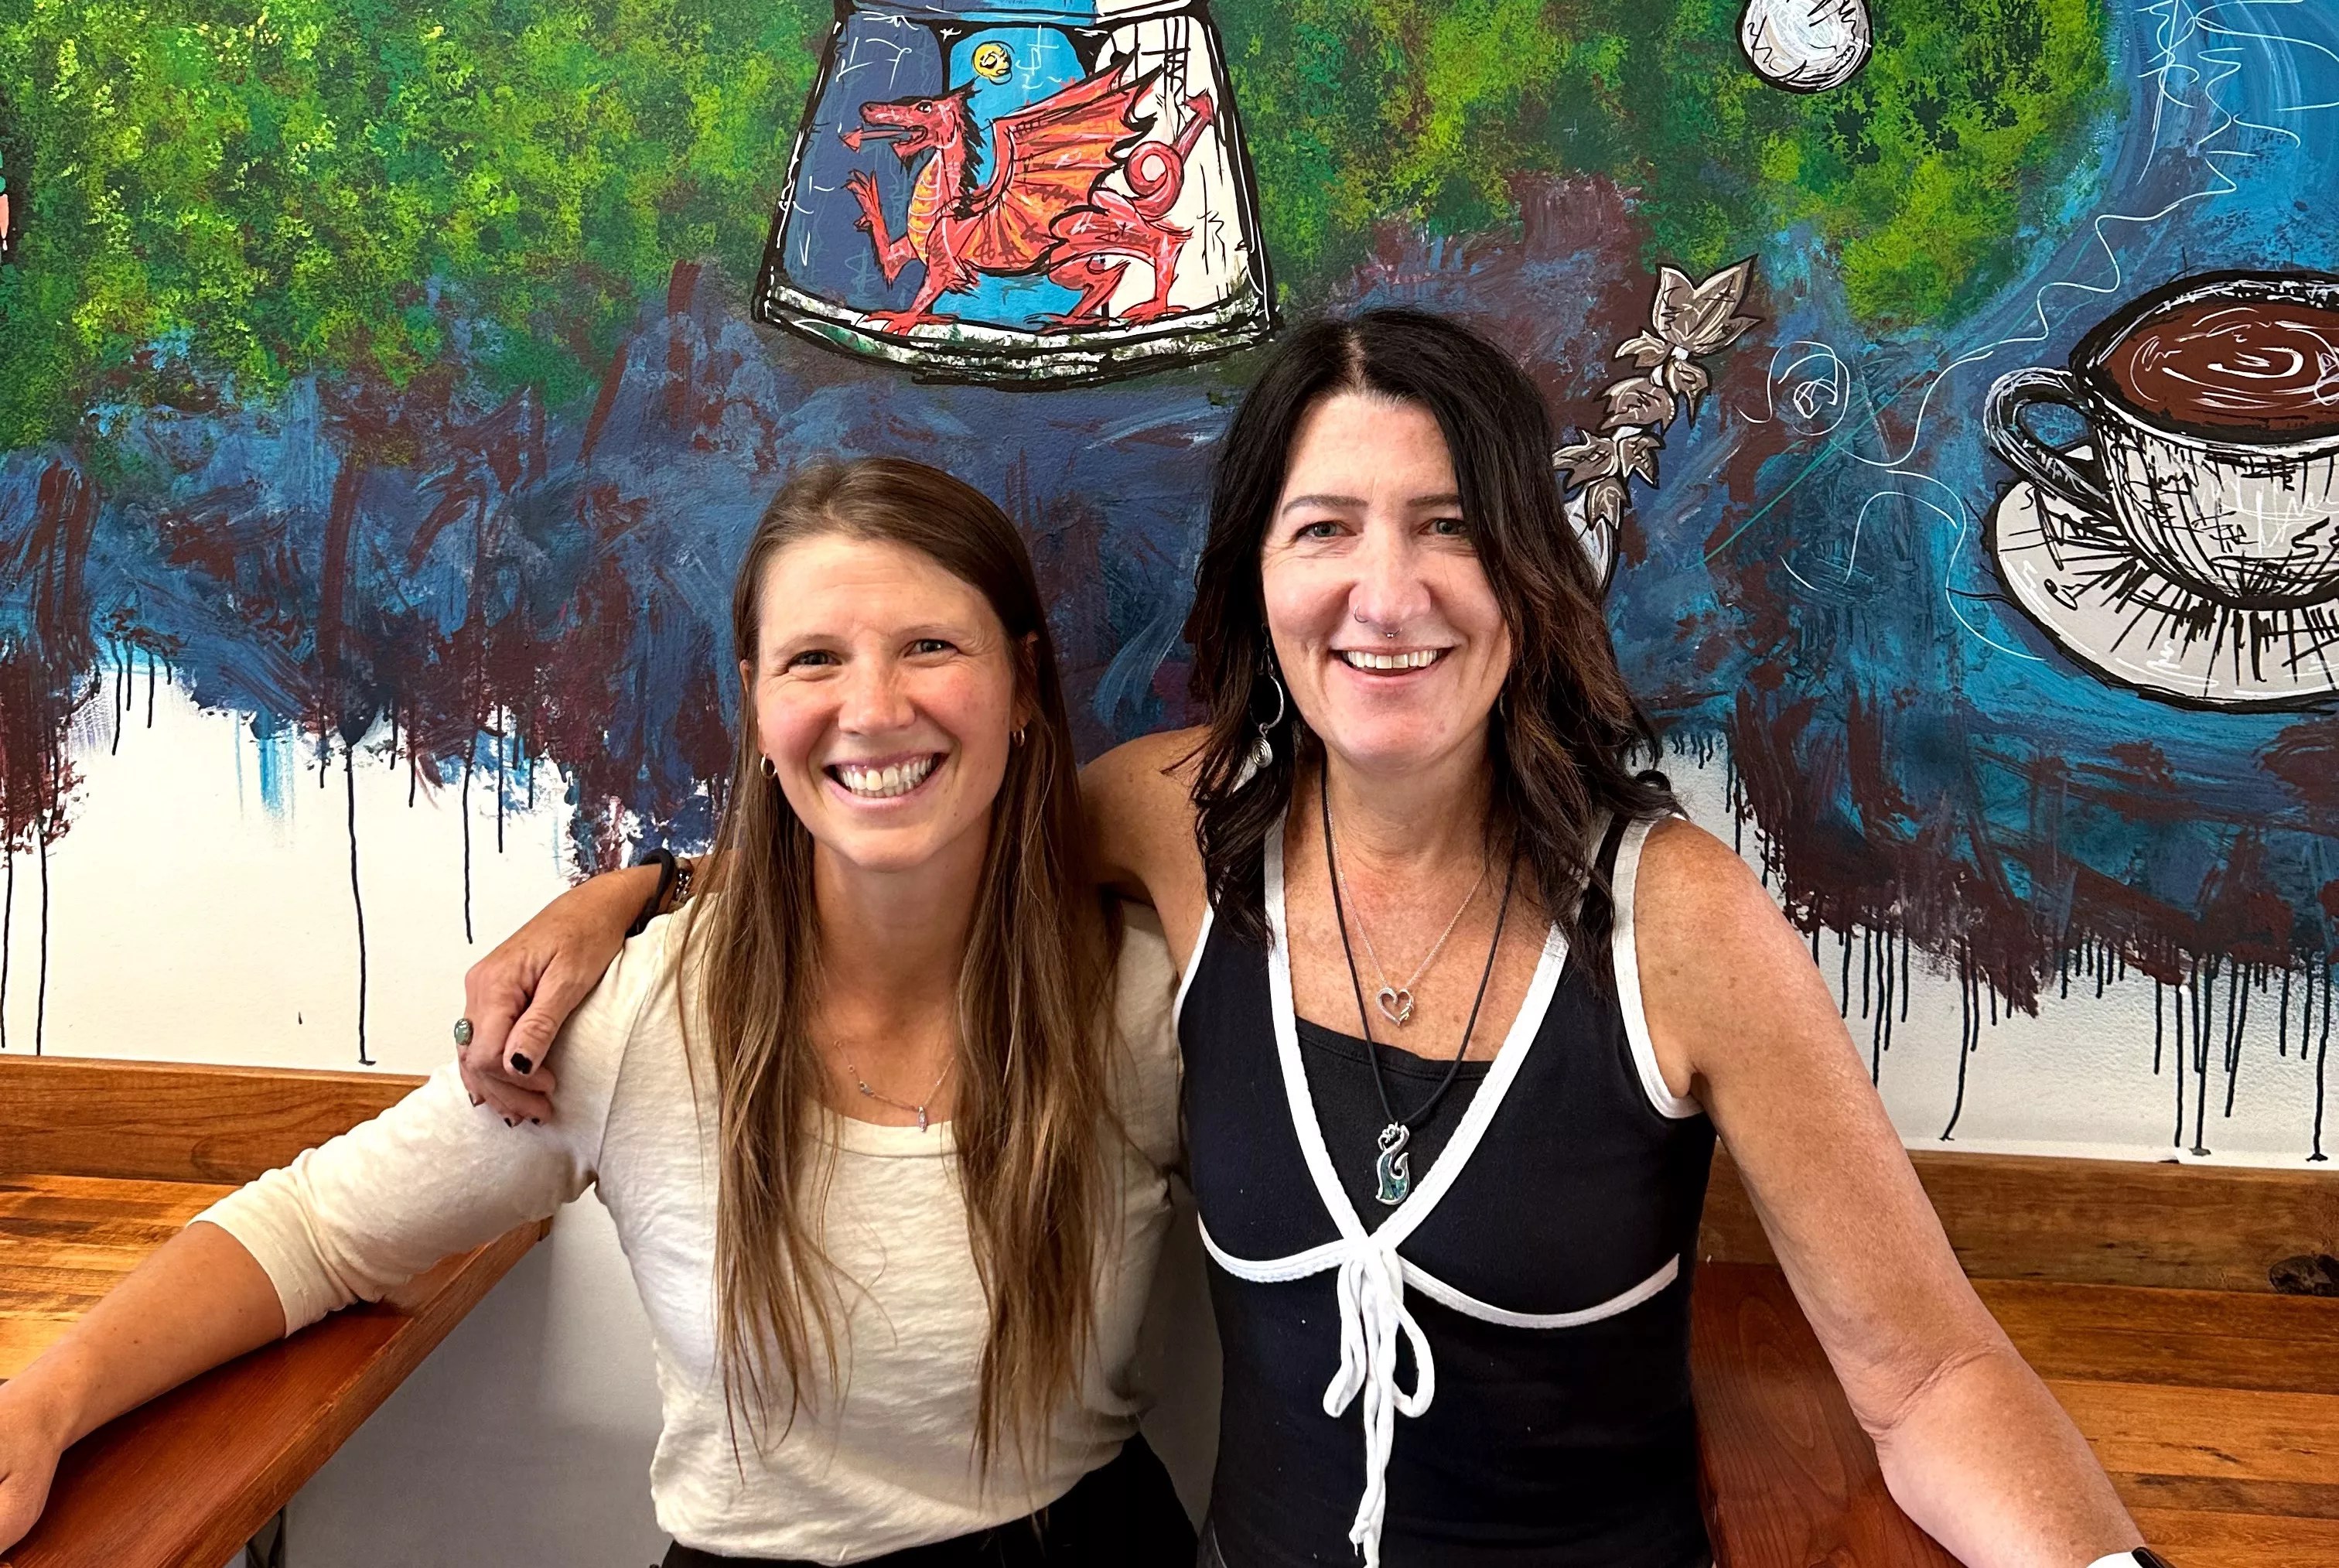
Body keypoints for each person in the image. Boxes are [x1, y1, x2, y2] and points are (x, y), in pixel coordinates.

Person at [456, 311, 2158, 1568]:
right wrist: (635, 892)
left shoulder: (1680, 924)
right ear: (1258, 583)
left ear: (1528, 572)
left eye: (1445, 526)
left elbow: (1925, 1377)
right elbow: (896, 827)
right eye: (1323, 529)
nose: (1386, 592)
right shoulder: (1174, 824)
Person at [0, 458, 1197, 1567]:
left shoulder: (1146, 1002)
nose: (874, 708)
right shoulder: (641, 1013)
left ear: (1024, 683)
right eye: (814, 659)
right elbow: (321, 1231)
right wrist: (43, 1406)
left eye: (931, 645)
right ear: (757, 708)